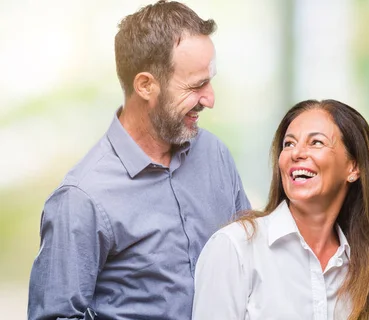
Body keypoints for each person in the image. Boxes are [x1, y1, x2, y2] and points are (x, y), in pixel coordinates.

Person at [27, 1, 251, 319]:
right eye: (196, 85)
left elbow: (250, 261)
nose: (210, 99)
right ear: (145, 85)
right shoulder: (81, 198)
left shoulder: (214, 154)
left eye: (210, 80)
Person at [192, 99, 369, 320]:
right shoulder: (235, 248)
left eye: (317, 142)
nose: (296, 153)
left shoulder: (367, 270)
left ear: (353, 167)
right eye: (288, 144)